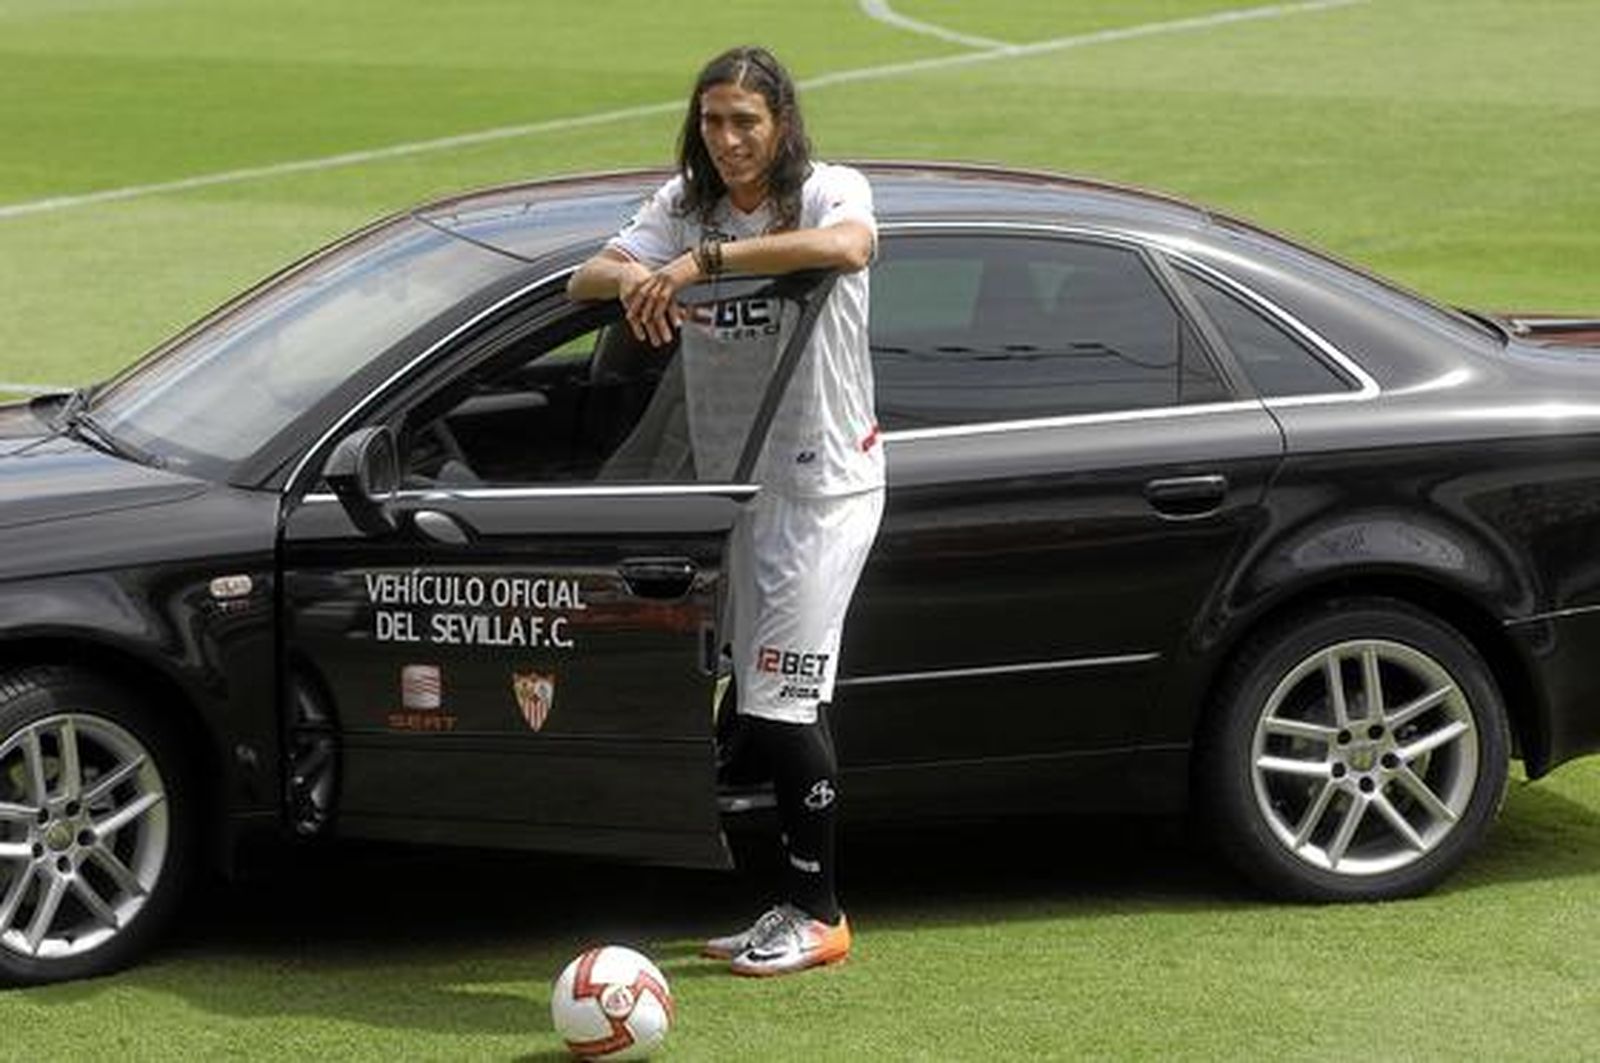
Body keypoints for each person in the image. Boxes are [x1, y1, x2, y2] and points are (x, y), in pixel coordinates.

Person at [567, 45, 884, 977]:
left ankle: (818, 913)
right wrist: (639, 278)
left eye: (746, 120)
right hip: (739, 491)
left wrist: (701, 265)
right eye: (712, 120)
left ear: (781, 123)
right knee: (755, 698)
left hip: (824, 488)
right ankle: (785, 902)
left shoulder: (827, 191)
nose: (728, 138)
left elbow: (848, 249)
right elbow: (587, 277)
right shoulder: (684, 202)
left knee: (782, 702)